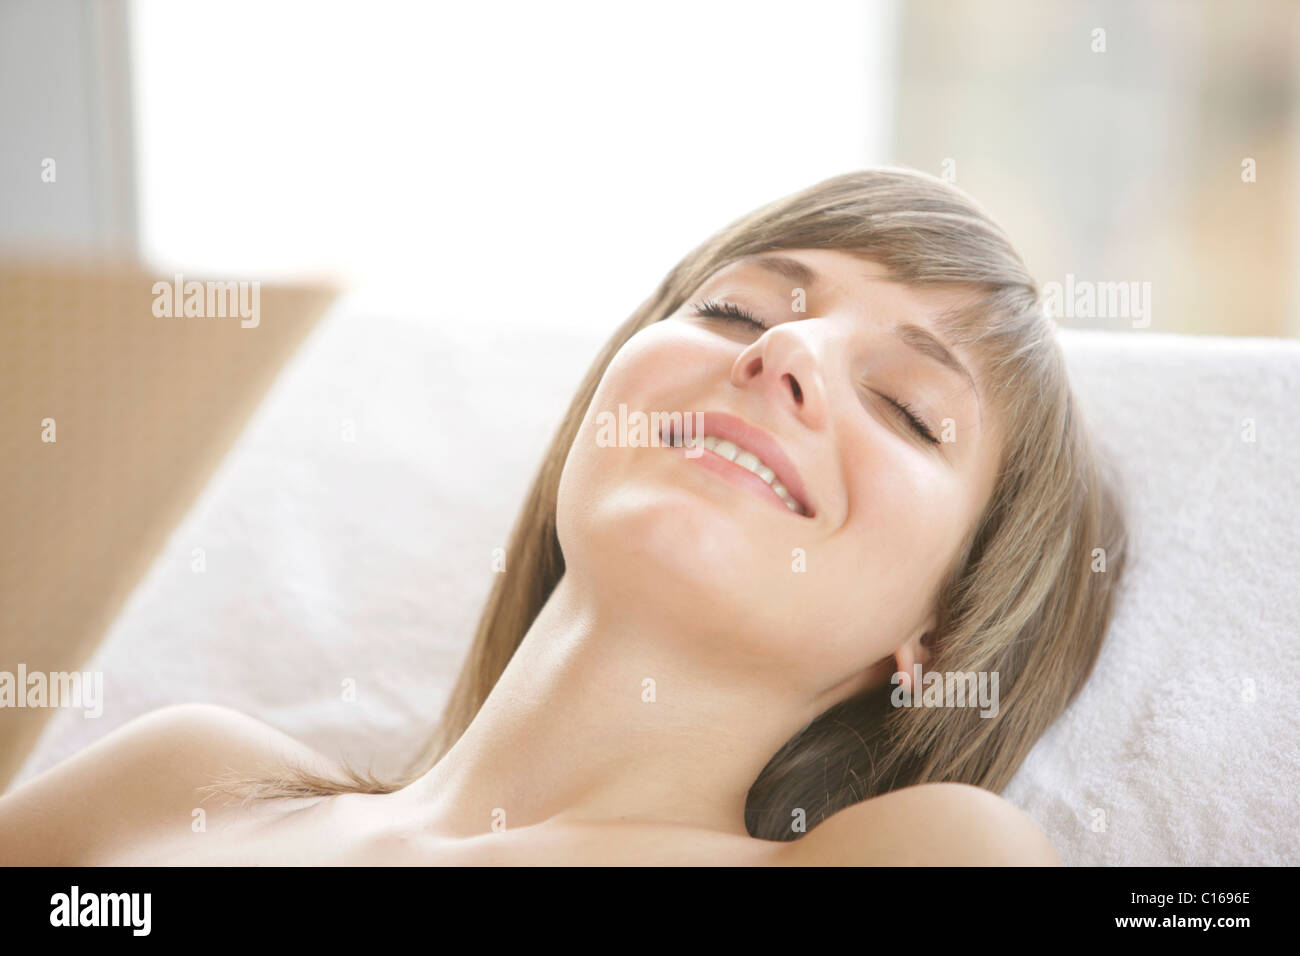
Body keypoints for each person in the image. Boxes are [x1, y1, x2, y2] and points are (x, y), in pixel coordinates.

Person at [0, 168, 1127, 865]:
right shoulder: (184, 784)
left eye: (907, 408)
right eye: (735, 309)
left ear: (935, 641)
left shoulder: (923, 850)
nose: (785, 351)